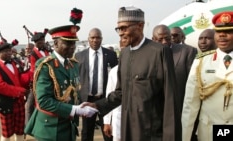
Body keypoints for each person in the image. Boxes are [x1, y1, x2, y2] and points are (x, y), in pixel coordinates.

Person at [83, 6, 181, 141]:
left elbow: (170, 100)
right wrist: (97, 105)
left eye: (124, 28)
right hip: (127, 129)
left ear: (140, 26)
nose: (120, 33)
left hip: (151, 133)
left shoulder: (159, 52)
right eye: (119, 29)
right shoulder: (124, 54)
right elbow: (120, 93)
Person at [24, 24, 98, 141]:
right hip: (50, 129)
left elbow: (74, 91)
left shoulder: (73, 64)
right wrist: (75, 110)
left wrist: (81, 105)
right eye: (68, 43)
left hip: (68, 126)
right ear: (56, 44)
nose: (72, 47)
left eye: (74, 43)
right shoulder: (45, 65)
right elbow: (44, 101)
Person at [182, 11, 233, 141]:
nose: (222, 35)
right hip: (209, 131)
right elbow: (190, 105)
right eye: (218, 31)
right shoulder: (201, 62)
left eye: (228, 31)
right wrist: (185, 137)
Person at [75, 28, 118, 141]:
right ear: (88, 39)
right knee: (87, 132)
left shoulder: (111, 55)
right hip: (87, 100)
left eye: (98, 37)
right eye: (92, 37)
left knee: (108, 131)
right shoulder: (79, 56)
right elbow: (76, 78)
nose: (95, 40)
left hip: (105, 99)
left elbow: (116, 78)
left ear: (101, 39)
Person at [0, 39, 30, 141]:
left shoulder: (15, 63)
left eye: (9, 51)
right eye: (5, 51)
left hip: (19, 102)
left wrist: (29, 79)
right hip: (6, 104)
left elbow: (20, 79)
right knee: (7, 133)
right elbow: (0, 86)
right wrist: (21, 91)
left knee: (20, 130)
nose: (8, 53)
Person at [152, 24, 197, 109]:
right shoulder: (148, 54)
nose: (164, 42)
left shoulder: (188, 52)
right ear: (153, 40)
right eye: (160, 39)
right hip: (155, 109)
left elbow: (193, 83)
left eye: (167, 38)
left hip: (179, 107)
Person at [103, 37, 130, 141]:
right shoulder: (114, 71)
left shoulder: (145, 66)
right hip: (119, 118)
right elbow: (109, 96)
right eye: (123, 49)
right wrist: (106, 122)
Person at [25, 29, 50, 126]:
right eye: (40, 42)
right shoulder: (33, 54)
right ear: (36, 43)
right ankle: (28, 126)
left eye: (43, 41)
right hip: (36, 82)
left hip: (48, 80)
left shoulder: (47, 51)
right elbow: (34, 69)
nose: (42, 43)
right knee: (30, 105)